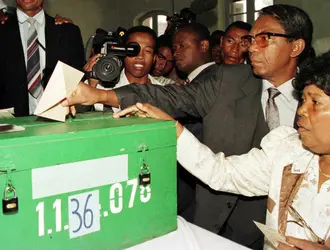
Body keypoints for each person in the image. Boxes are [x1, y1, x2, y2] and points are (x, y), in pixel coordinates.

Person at [62, 4, 314, 249]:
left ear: (296, 46)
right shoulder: (228, 79)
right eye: (251, 39)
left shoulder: (317, 100)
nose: (251, 49)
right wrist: (100, 96)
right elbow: (171, 97)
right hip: (222, 225)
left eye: (264, 39)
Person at [113, 50, 330, 250]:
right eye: (303, 100)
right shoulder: (288, 152)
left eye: (316, 102)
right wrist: (172, 128)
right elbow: (221, 172)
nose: (301, 110)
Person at [0, 0, 85, 116]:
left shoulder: (68, 32)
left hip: (58, 122)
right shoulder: (3, 30)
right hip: (10, 126)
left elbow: (78, 79)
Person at [84, 26, 170, 112]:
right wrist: (91, 87)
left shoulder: (163, 92)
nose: (140, 56)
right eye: (133, 50)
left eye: (147, 51)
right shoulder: (100, 86)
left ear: (154, 58)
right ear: (123, 52)